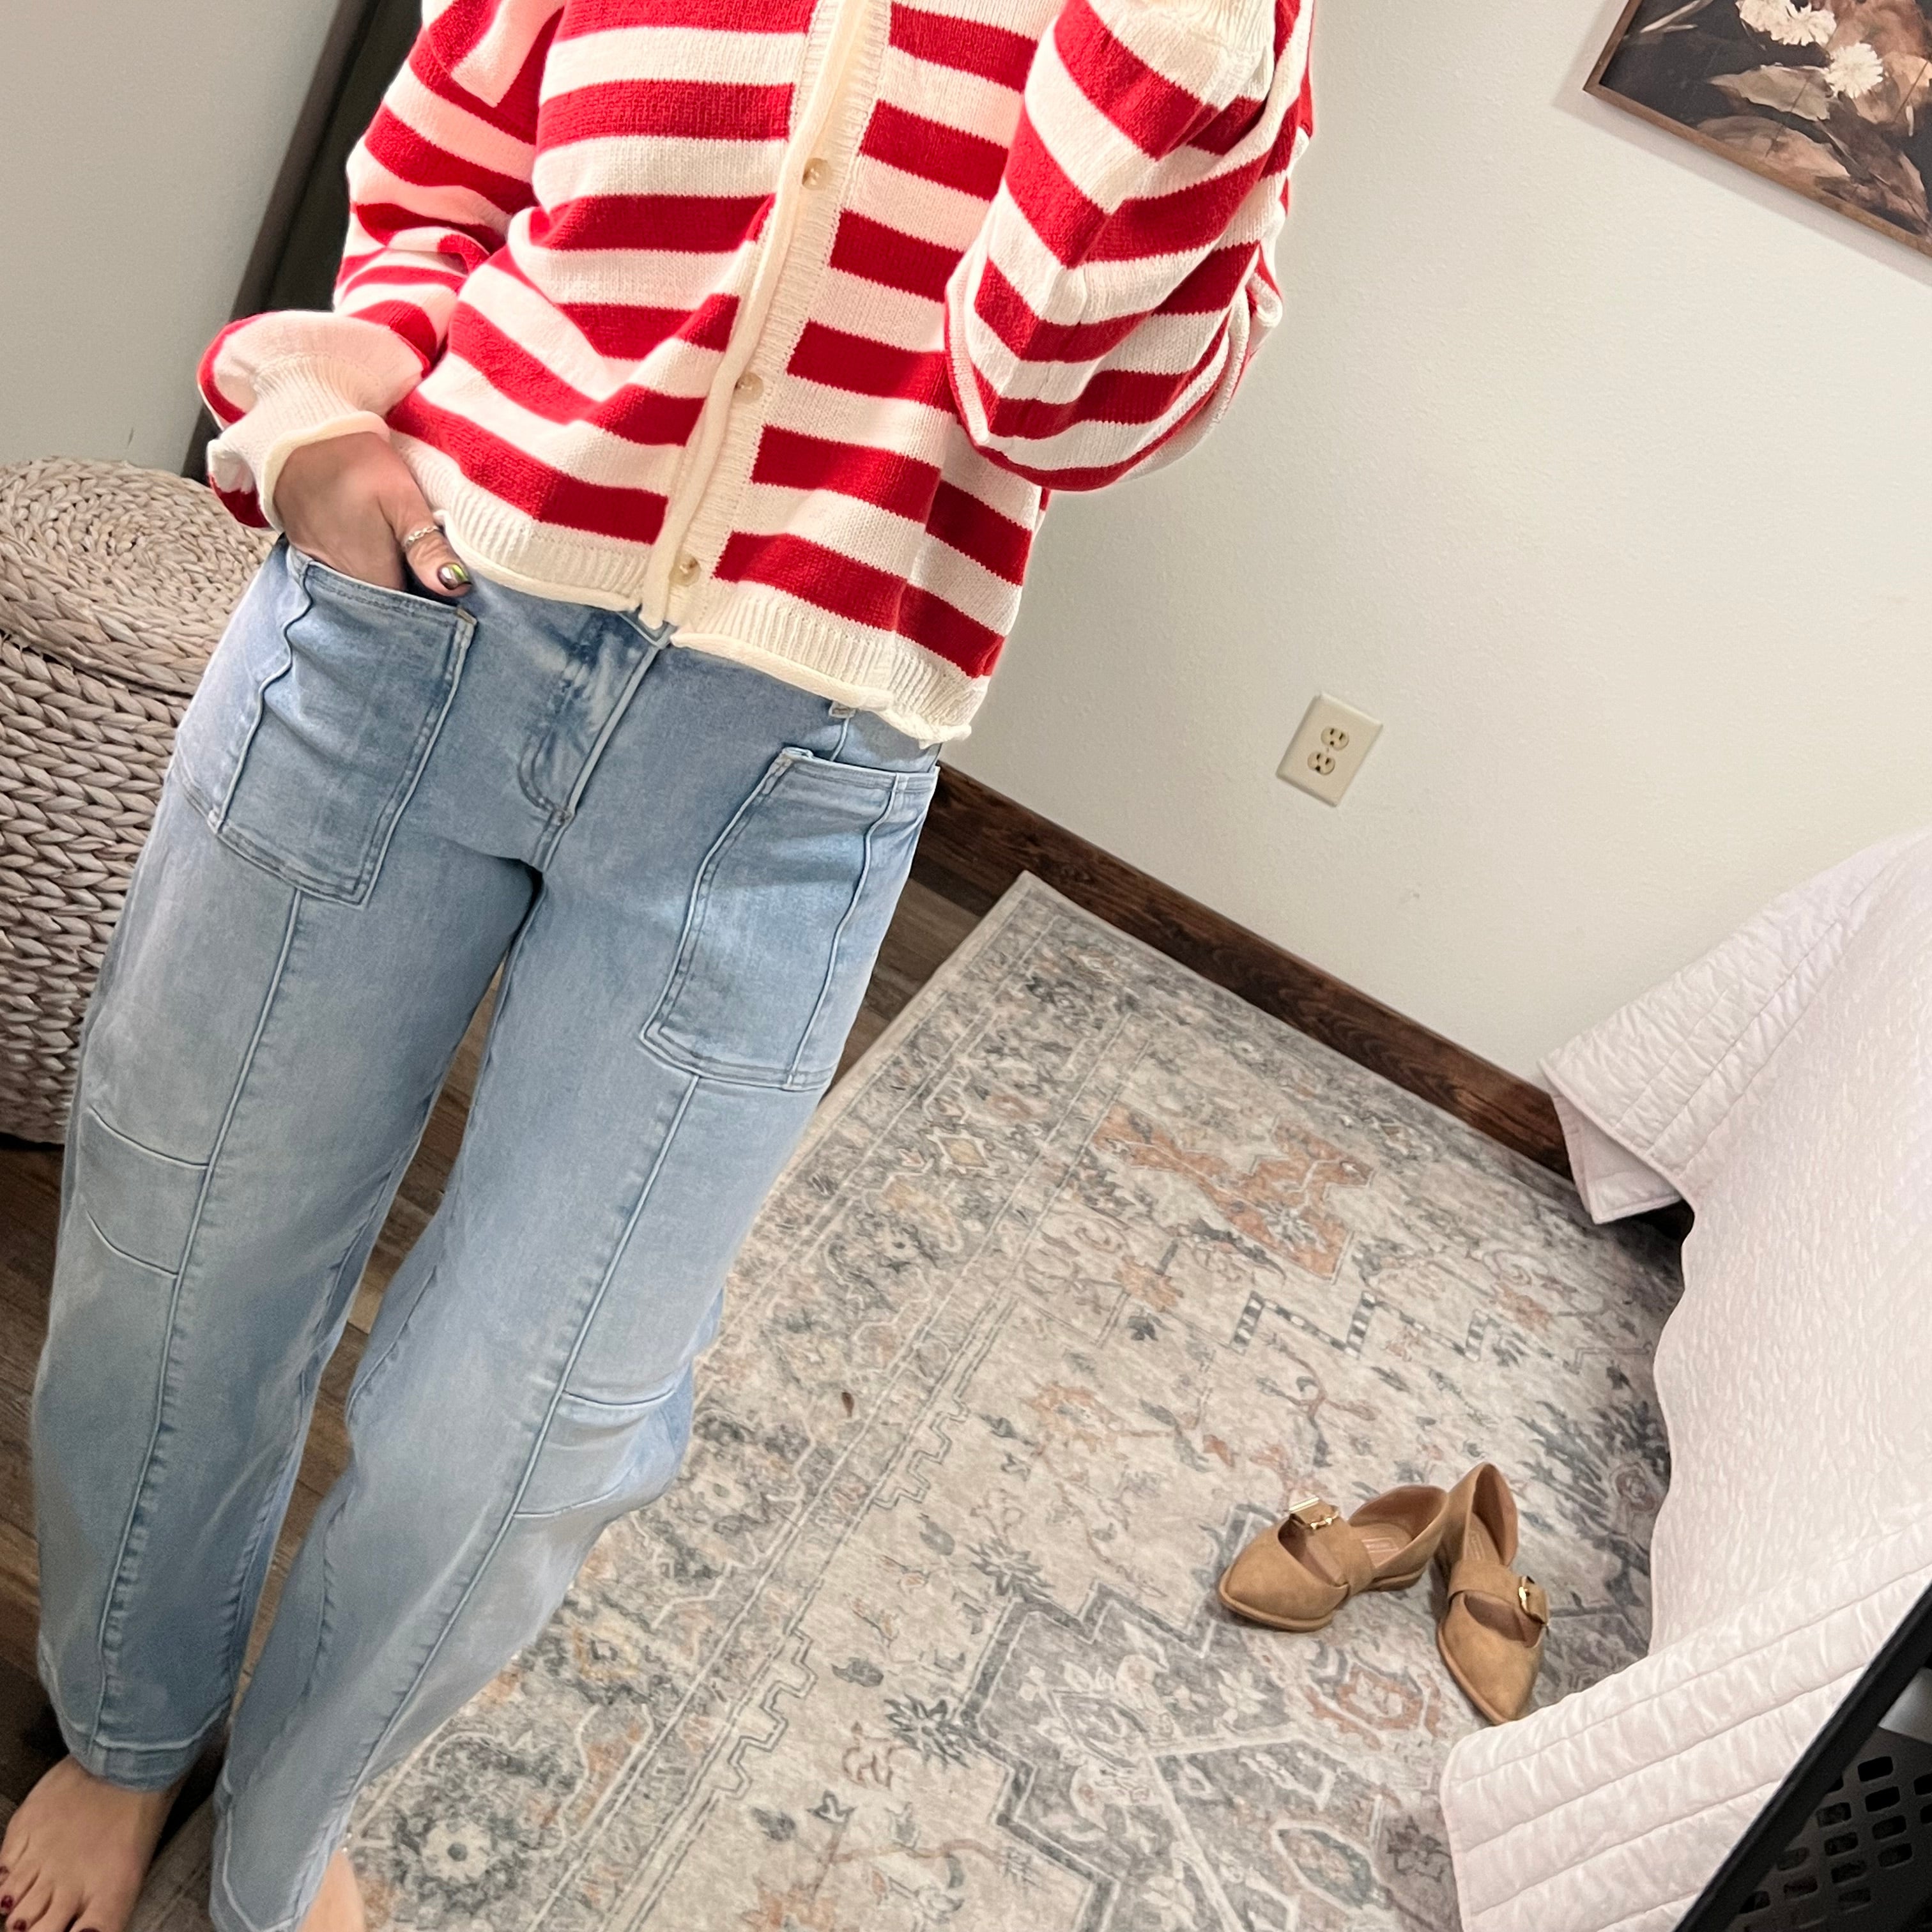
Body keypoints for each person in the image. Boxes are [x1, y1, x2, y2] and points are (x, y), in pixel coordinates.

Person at [2, 0, 1314, 1926]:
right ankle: (122, 1735)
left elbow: (1049, 407)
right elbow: (440, 185)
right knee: (181, 1245)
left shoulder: (1203, 39)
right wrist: (318, 425)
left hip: (786, 770)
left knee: (525, 1430)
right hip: (412, 636)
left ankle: (284, 1835)